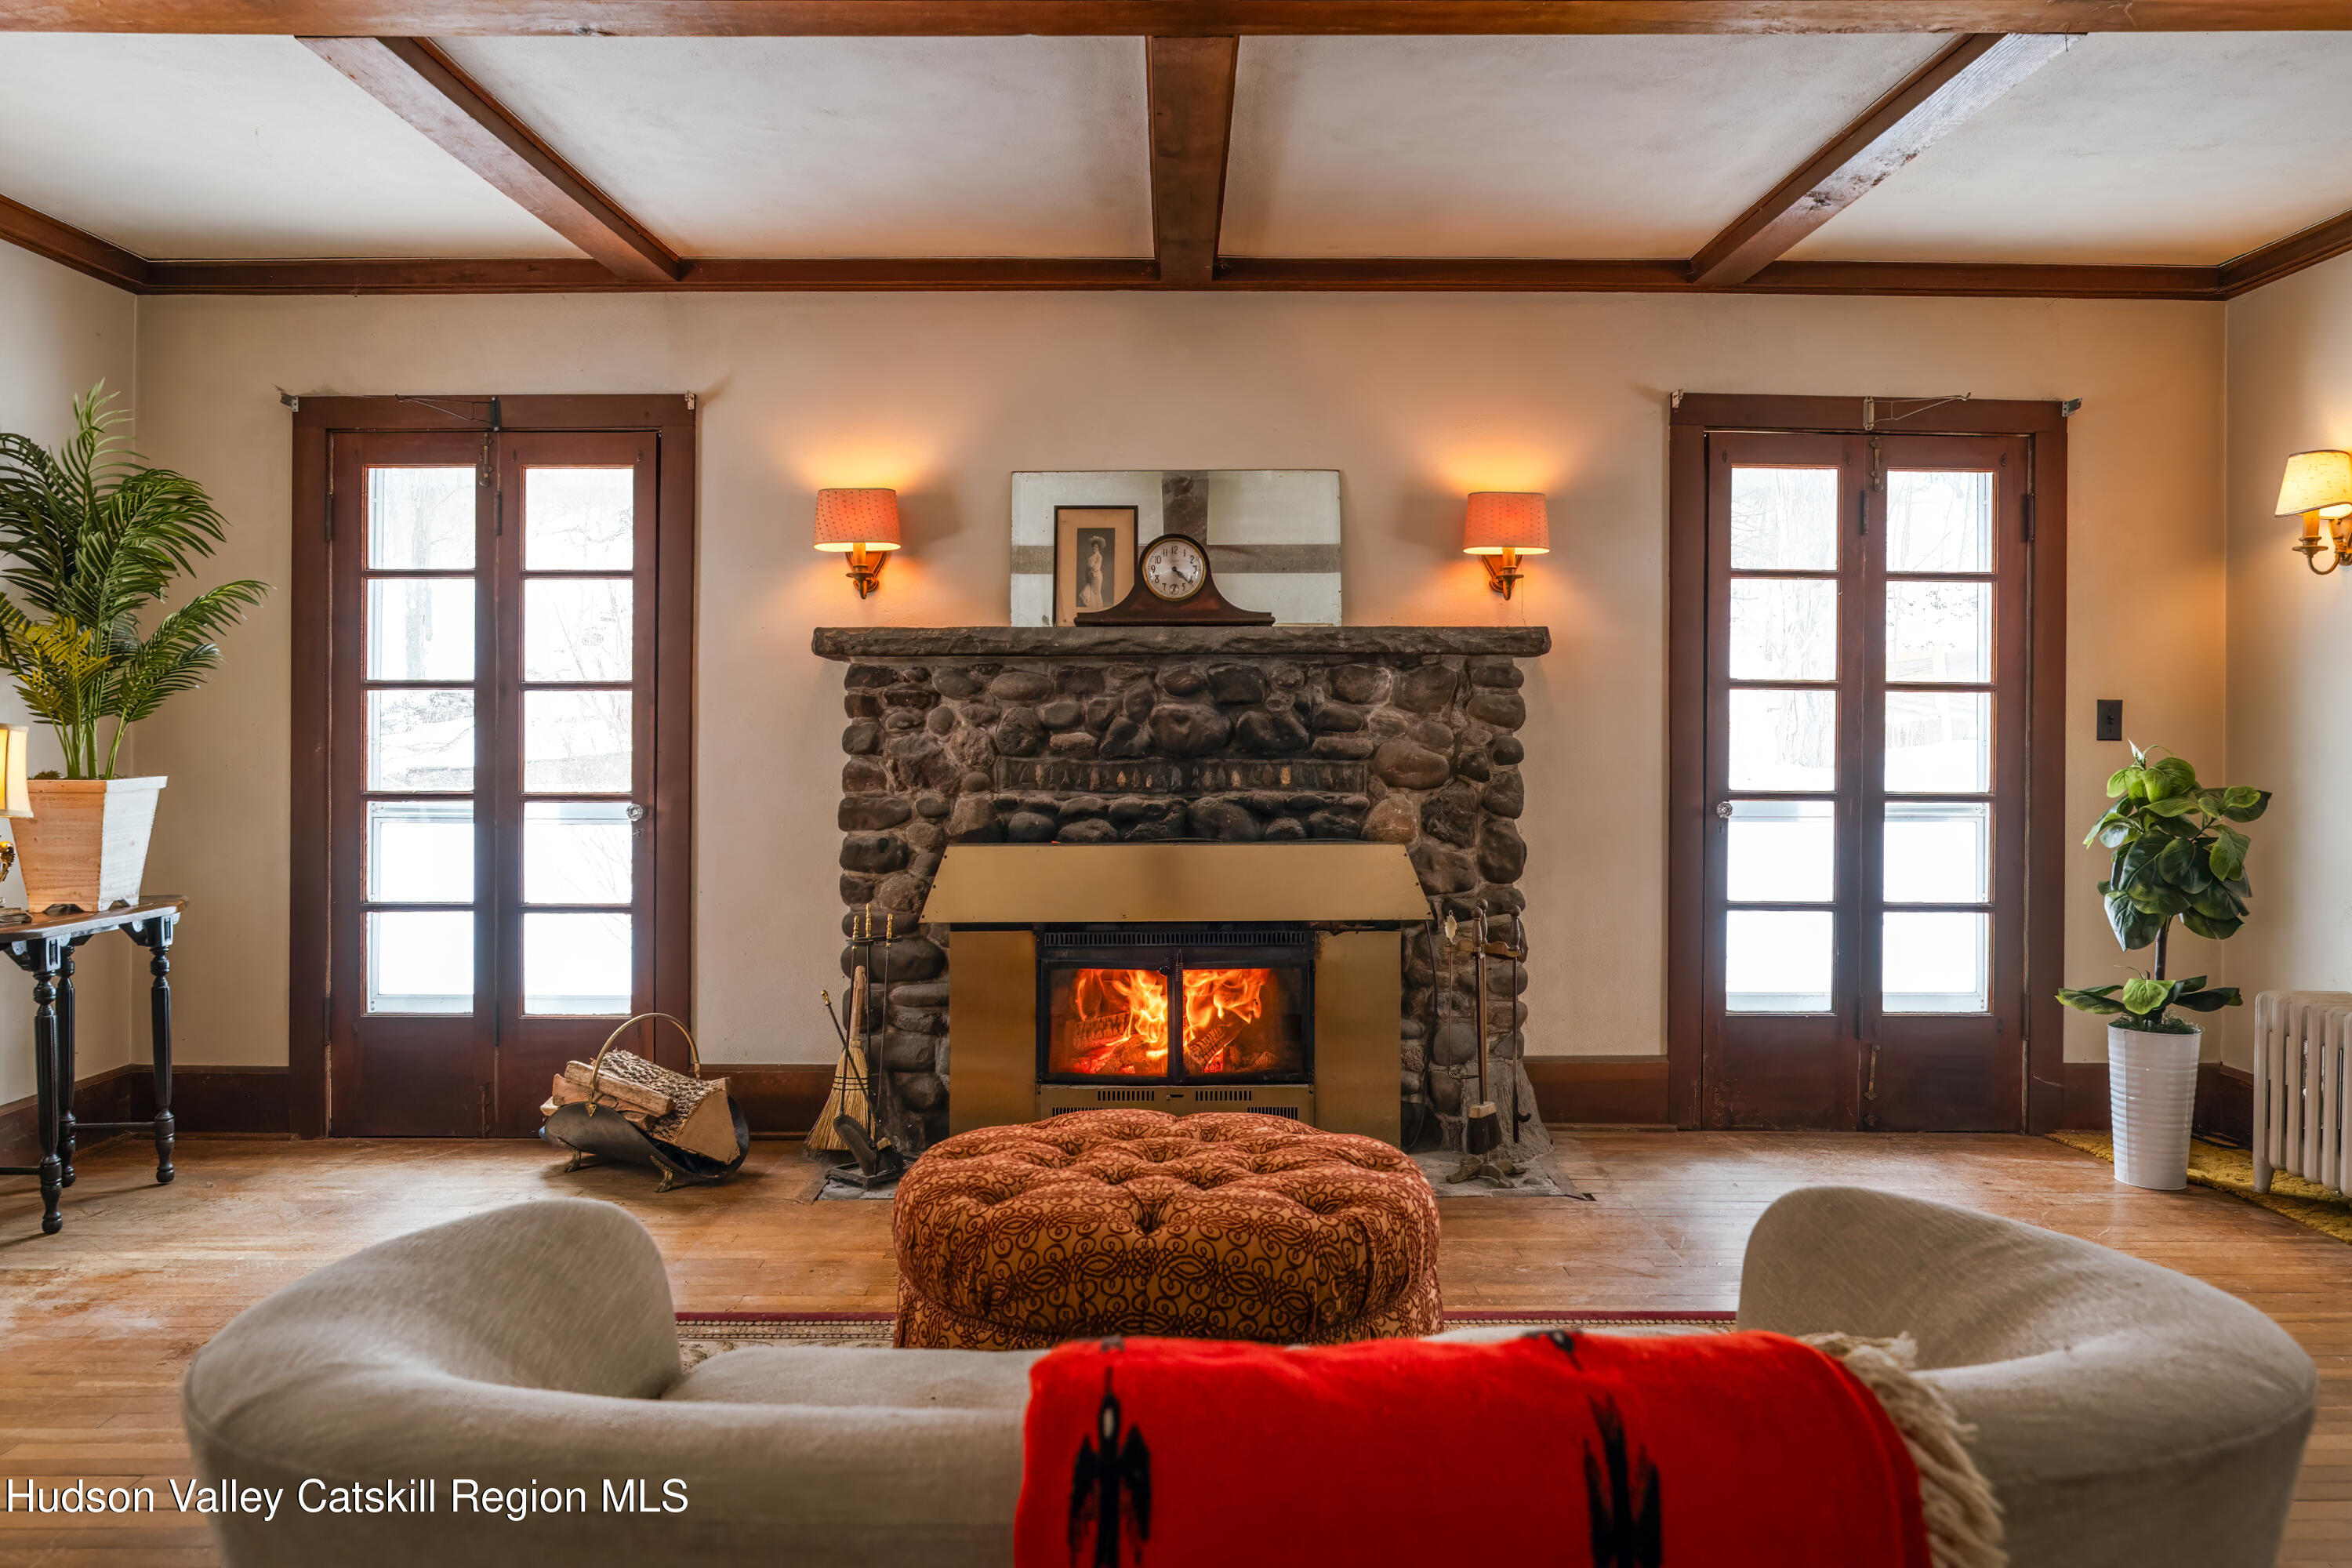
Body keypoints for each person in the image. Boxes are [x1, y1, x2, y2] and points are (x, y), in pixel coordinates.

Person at [1076, 535, 1110, 610]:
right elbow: (1088, 566)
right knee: (1091, 590)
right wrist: (1089, 572)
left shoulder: (1099, 556)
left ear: (1098, 548)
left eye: (1096, 547)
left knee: (1096, 592)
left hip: (1097, 576)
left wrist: (1092, 569)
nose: (1094, 548)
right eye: (1093, 547)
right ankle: (1091, 607)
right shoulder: (1092, 557)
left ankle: (1097, 608)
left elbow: (1097, 566)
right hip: (1091, 576)